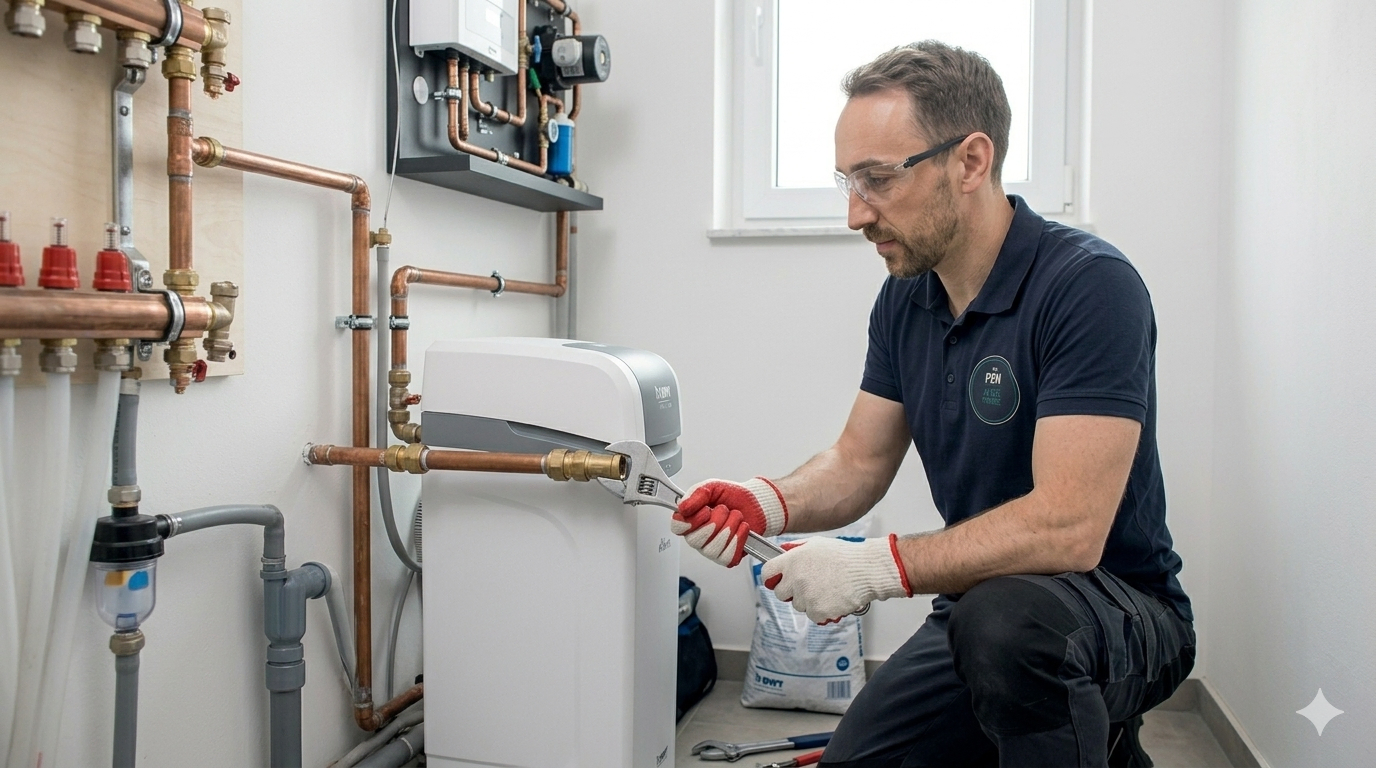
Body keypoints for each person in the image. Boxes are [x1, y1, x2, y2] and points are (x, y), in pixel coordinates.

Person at [672, 41, 1195, 768]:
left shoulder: (1089, 286)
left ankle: (1088, 728)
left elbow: (1070, 528)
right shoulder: (905, 300)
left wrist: (872, 568)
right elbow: (859, 461)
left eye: (878, 179)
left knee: (1010, 631)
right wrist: (766, 501)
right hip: (980, 605)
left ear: (971, 161)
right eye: (848, 182)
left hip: (1118, 607)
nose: (856, 213)